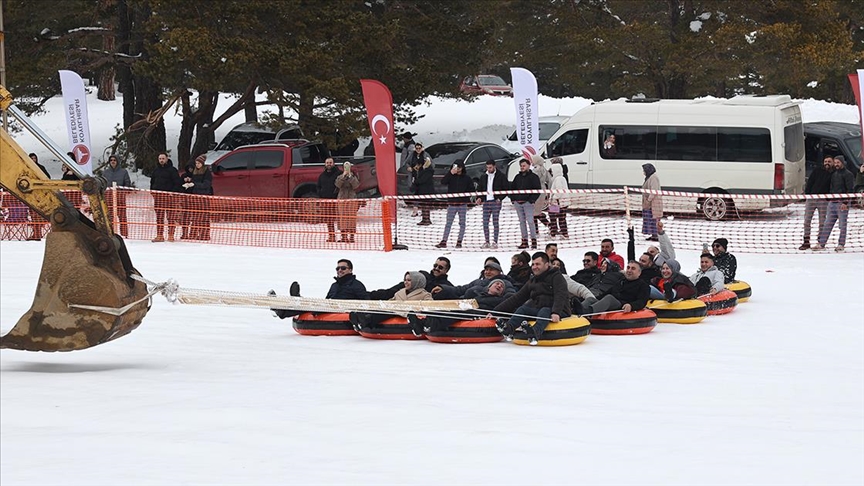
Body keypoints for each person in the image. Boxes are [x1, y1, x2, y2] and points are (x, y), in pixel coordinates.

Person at [492, 252, 571, 345]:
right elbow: (518, 298)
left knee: (545, 310)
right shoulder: (533, 280)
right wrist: (495, 312)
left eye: (538, 264)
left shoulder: (556, 277)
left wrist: (556, 312)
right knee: (523, 309)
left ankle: (535, 333)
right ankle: (509, 328)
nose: (534, 267)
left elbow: (560, 295)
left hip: (559, 310)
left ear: (546, 265)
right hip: (540, 309)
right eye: (533, 264)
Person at [270, 259, 369, 319]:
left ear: (350, 270)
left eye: (343, 268)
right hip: (330, 307)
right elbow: (327, 299)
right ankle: (281, 306)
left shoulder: (356, 285)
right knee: (308, 306)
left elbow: (366, 301)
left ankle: (297, 301)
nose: (339, 270)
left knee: (308, 305)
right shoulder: (334, 285)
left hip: (343, 309)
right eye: (337, 268)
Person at [350, 271, 433, 333]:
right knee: (387, 311)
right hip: (396, 312)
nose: (405, 282)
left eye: (409, 280)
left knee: (393, 311)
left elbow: (430, 306)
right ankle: (364, 320)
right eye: (405, 280)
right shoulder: (400, 292)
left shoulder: (424, 294)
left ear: (417, 281)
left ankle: (416, 325)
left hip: (410, 314)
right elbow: (391, 302)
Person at [814, 155, 855, 252]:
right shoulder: (834, 174)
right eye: (835, 162)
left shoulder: (848, 174)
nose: (836, 164)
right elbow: (831, 187)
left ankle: (841, 244)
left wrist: (845, 202)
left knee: (842, 225)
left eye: (838, 162)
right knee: (827, 224)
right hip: (832, 202)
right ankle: (822, 243)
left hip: (842, 203)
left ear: (842, 163)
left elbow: (850, 189)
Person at [579, 261, 649, 316]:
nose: (629, 270)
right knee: (591, 299)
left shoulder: (643, 285)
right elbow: (608, 292)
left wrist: (631, 306)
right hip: (612, 302)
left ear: (639, 273)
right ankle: (577, 309)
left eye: (633, 269)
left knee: (609, 298)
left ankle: (588, 311)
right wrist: (596, 299)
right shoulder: (621, 281)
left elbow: (642, 301)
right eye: (628, 268)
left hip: (623, 305)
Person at [368, 257, 453, 300]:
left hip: (415, 301)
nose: (436, 268)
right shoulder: (423, 275)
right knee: (390, 292)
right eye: (435, 266)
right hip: (403, 294)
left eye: (440, 267)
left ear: (446, 270)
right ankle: (366, 296)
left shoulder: (445, 286)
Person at [431, 260, 515, 300]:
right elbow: (461, 289)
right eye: (486, 270)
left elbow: (511, 296)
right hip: (463, 303)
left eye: (491, 270)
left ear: (499, 272)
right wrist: (444, 288)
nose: (488, 272)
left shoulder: (504, 283)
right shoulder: (478, 282)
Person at [435, 160, 473, 248]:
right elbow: (443, 182)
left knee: (462, 223)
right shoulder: (451, 176)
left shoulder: (467, 178)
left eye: (459, 167)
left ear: (462, 168)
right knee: (448, 223)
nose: (457, 169)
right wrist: (450, 173)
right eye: (456, 167)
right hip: (452, 203)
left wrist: (467, 198)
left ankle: (459, 241)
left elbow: (471, 189)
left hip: (462, 204)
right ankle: (444, 241)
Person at [799, 156, 833, 250]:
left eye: (829, 161)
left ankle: (820, 242)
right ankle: (806, 241)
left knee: (822, 222)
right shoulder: (817, 170)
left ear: (833, 163)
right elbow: (810, 182)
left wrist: (828, 198)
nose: (827, 163)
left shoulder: (834, 173)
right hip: (811, 199)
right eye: (825, 161)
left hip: (823, 200)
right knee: (807, 221)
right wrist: (808, 194)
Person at [150, 152, 183, 242]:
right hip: (158, 197)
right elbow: (152, 182)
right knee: (159, 217)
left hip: (169, 197)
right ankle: (160, 235)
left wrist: (172, 192)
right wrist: (153, 192)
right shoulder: (156, 170)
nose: (161, 160)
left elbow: (177, 183)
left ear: (167, 159)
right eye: (160, 159)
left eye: (163, 158)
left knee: (171, 217)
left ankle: (171, 235)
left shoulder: (172, 170)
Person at [510, 158, 541, 249]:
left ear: (528, 165)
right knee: (522, 222)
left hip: (528, 203)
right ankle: (524, 241)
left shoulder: (534, 177)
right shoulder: (517, 177)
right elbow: (512, 188)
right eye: (521, 166)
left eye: (524, 165)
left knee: (530, 221)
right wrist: (513, 199)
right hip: (518, 203)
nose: (522, 167)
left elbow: (537, 190)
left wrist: (532, 200)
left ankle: (533, 241)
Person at [478, 159, 508, 248]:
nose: (489, 169)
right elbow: (480, 189)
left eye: (490, 167)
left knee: (495, 222)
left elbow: (506, 189)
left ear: (495, 166)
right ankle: (487, 241)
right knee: (485, 222)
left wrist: (500, 198)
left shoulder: (501, 176)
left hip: (495, 202)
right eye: (487, 167)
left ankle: (495, 241)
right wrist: (480, 197)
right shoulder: (483, 176)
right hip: (486, 202)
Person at [102, 154, 133, 238]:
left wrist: (123, 192)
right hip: (109, 198)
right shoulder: (105, 172)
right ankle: (110, 234)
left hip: (120, 198)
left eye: (114, 160)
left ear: (118, 161)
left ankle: (124, 235)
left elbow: (127, 184)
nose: (112, 162)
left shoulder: (123, 172)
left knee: (122, 216)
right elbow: (102, 185)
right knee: (109, 217)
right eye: (111, 160)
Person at [184, 155, 213, 240]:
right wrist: (189, 182)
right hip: (195, 196)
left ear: (202, 163)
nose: (197, 165)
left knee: (204, 216)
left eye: (199, 163)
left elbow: (207, 184)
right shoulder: (195, 172)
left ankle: (204, 235)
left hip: (204, 196)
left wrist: (194, 184)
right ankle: (193, 234)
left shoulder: (207, 172)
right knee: (195, 215)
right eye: (196, 163)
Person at [26, 153, 51, 240]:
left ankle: (37, 233)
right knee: (33, 215)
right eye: (32, 158)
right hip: (30, 194)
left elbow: (47, 177)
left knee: (38, 215)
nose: (33, 160)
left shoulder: (41, 167)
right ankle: (36, 233)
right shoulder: (26, 167)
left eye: (34, 158)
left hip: (39, 194)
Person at [335, 161, 361, 243]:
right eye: (345, 167)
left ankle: (352, 236)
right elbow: (337, 185)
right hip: (342, 198)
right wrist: (343, 176)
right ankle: (344, 236)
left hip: (351, 198)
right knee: (342, 218)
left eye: (348, 167)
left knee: (352, 218)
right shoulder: (339, 176)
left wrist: (350, 177)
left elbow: (356, 185)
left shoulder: (353, 176)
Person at [409, 144, 434, 225]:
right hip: (421, 188)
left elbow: (423, 179)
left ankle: (426, 219)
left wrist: (416, 182)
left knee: (425, 203)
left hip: (426, 188)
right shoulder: (420, 168)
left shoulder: (428, 170)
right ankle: (425, 219)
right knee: (423, 204)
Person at [317, 157, 340, 242]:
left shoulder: (339, 174)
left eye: (330, 162)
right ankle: (332, 236)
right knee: (329, 220)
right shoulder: (322, 175)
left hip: (337, 200)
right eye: (327, 163)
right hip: (326, 201)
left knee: (341, 219)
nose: (329, 164)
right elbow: (318, 186)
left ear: (333, 164)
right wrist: (320, 194)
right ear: (325, 164)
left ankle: (344, 236)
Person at [531, 155, 552, 237]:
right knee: (536, 211)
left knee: (534, 212)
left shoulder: (536, 170)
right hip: (543, 191)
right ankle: (536, 230)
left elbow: (532, 180)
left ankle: (546, 225)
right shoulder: (544, 169)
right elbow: (549, 180)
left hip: (536, 191)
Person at [547, 162, 570, 239]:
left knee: (553, 217)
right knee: (562, 218)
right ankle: (564, 233)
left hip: (557, 203)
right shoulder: (562, 178)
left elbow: (559, 191)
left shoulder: (557, 179)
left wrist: (553, 198)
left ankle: (553, 233)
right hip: (563, 202)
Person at [641, 163, 662, 241]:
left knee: (654, 219)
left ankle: (656, 235)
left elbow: (654, 190)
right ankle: (653, 235)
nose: (643, 172)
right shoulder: (649, 177)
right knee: (650, 218)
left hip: (653, 203)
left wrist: (648, 200)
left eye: (644, 170)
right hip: (649, 203)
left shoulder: (653, 178)